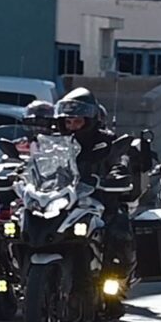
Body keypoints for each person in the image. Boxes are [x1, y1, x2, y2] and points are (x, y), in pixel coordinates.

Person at [54, 87, 137, 282]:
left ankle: (116, 279)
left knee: (119, 228)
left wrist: (118, 172)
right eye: (68, 121)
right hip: (62, 201)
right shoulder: (56, 143)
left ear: (90, 121)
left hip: (99, 200)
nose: (73, 126)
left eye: (78, 121)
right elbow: (39, 164)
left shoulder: (107, 141)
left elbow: (120, 159)